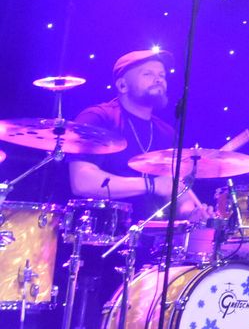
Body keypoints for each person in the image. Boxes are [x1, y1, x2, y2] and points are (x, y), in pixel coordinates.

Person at [69, 50, 210, 219]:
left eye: (162, 75)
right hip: (101, 229)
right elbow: (81, 182)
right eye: (148, 74)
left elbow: (175, 190)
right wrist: (151, 185)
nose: (158, 79)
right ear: (122, 85)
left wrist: (191, 213)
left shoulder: (167, 133)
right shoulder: (98, 118)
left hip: (151, 231)